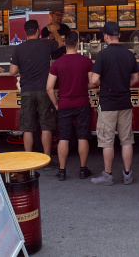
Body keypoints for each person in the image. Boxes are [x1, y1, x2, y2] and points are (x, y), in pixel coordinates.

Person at [90, 22, 139, 186]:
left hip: (108, 103)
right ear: (119, 35)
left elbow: (94, 80)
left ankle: (108, 175)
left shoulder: (102, 55)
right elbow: (136, 79)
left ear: (106, 36)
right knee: (127, 140)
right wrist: (124, 85)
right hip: (125, 102)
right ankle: (127, 174)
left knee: (107, 141)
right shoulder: (129, 54)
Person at [10, 20, 63, 157]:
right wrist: (55, 31)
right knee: (46, 126)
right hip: (43, 90)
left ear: (25, 32)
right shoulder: (46, 44)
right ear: (38, 31)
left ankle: (28, 159)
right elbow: (62, 44)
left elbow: (12, 71)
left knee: (27, 127)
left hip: (27, 90)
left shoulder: (18, 49)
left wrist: (22, 70)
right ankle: (46, 158)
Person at [46, 31, 94, 181]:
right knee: (82, 136)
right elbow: (92, 82)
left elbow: (49, 87)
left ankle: (62, 171)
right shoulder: (86, 61)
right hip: (82, 103)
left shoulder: (57, 63)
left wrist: (56, 103)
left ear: (65, 44)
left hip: (64, 104)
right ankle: (83, 169)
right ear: (78, 44)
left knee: (64, 138)